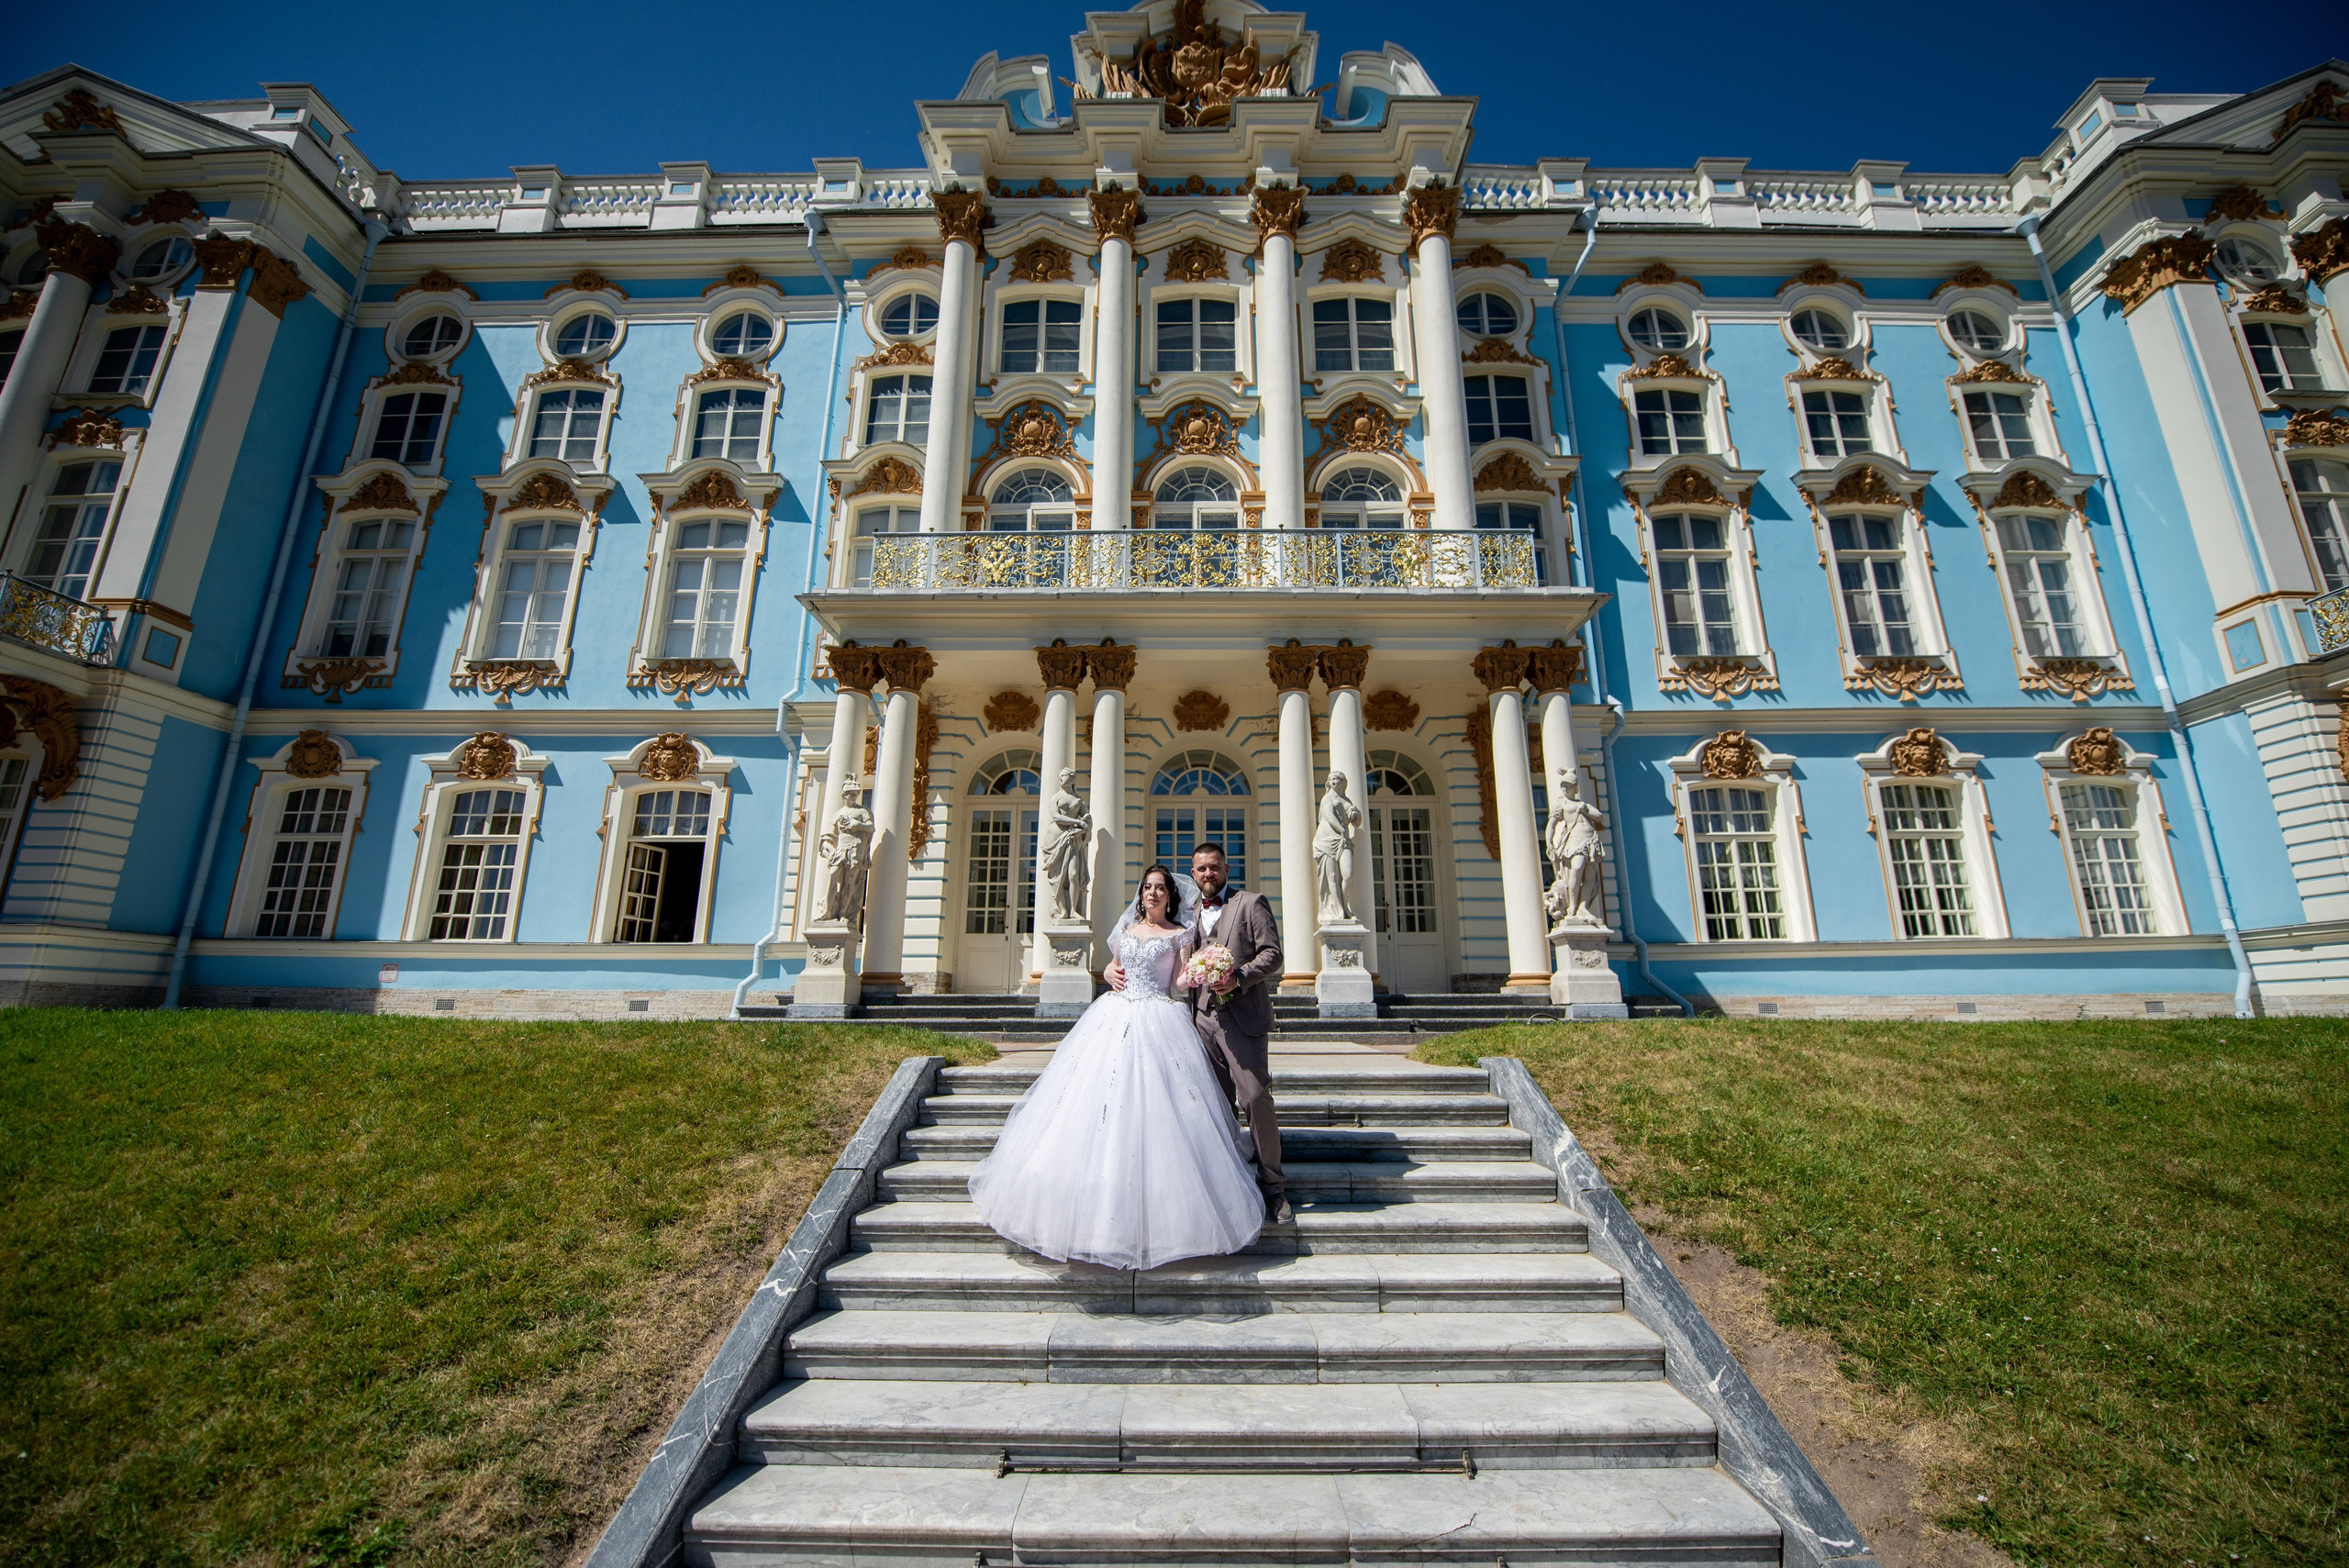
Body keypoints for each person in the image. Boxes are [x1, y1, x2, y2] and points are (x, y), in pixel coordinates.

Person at [966, 863, 1265, 1269]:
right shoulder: (1126, 931)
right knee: (1095, 1102)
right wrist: (1107, 971)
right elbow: (1113, 967)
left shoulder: (1181, 934)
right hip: (1114, 1017)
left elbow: (1178, 982)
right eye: (1147, 888)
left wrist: (1201, 968)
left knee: (1159, 1111)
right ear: (1140, 894)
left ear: (1169, 896)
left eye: (1160, 889)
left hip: (1161, 1017)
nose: (1153, 894)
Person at [1109, 842, 1288, 1226]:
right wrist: (1112, 971)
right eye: (1201, 869)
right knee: (1211, 1108)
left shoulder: (1251, 903)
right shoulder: (1185, 914)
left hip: (1242, 1018)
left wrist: (1237, 977)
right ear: (1192, 876)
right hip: (1196, 1022)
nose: (1208, 874)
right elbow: (1174, 969)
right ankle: (1229, 1185)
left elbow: (1272, 954)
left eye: (1214, 867)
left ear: (1225, 868)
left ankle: (1274, 1187)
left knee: (1255, 1098)